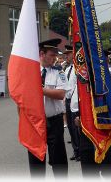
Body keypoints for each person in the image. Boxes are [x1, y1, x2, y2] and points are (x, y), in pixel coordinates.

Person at [27, 38, 69, 178]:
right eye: (52, 54)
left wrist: (40, 90)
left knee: (59, 161)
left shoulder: (58, 72)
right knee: (36, 161)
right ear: (42, 54)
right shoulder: (30, 72)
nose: (55, 58)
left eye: (56, 54)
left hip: (54, 121)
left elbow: (61, 94)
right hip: (35, 122)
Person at [76, 49, 111, 177]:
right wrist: (78, 116)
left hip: (107, 128)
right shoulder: (82, 81)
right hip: (88, 129)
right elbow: (75, 103)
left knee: (110, 171)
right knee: (89, 171)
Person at [63, 45, 80, 162]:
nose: (66, 57)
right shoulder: (67, 69)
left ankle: (80, 150)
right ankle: (76, 150)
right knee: (70, 126)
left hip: (75, 101)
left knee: (76, 127)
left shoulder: (78, 69)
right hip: (67, 100)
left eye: (68, 54)